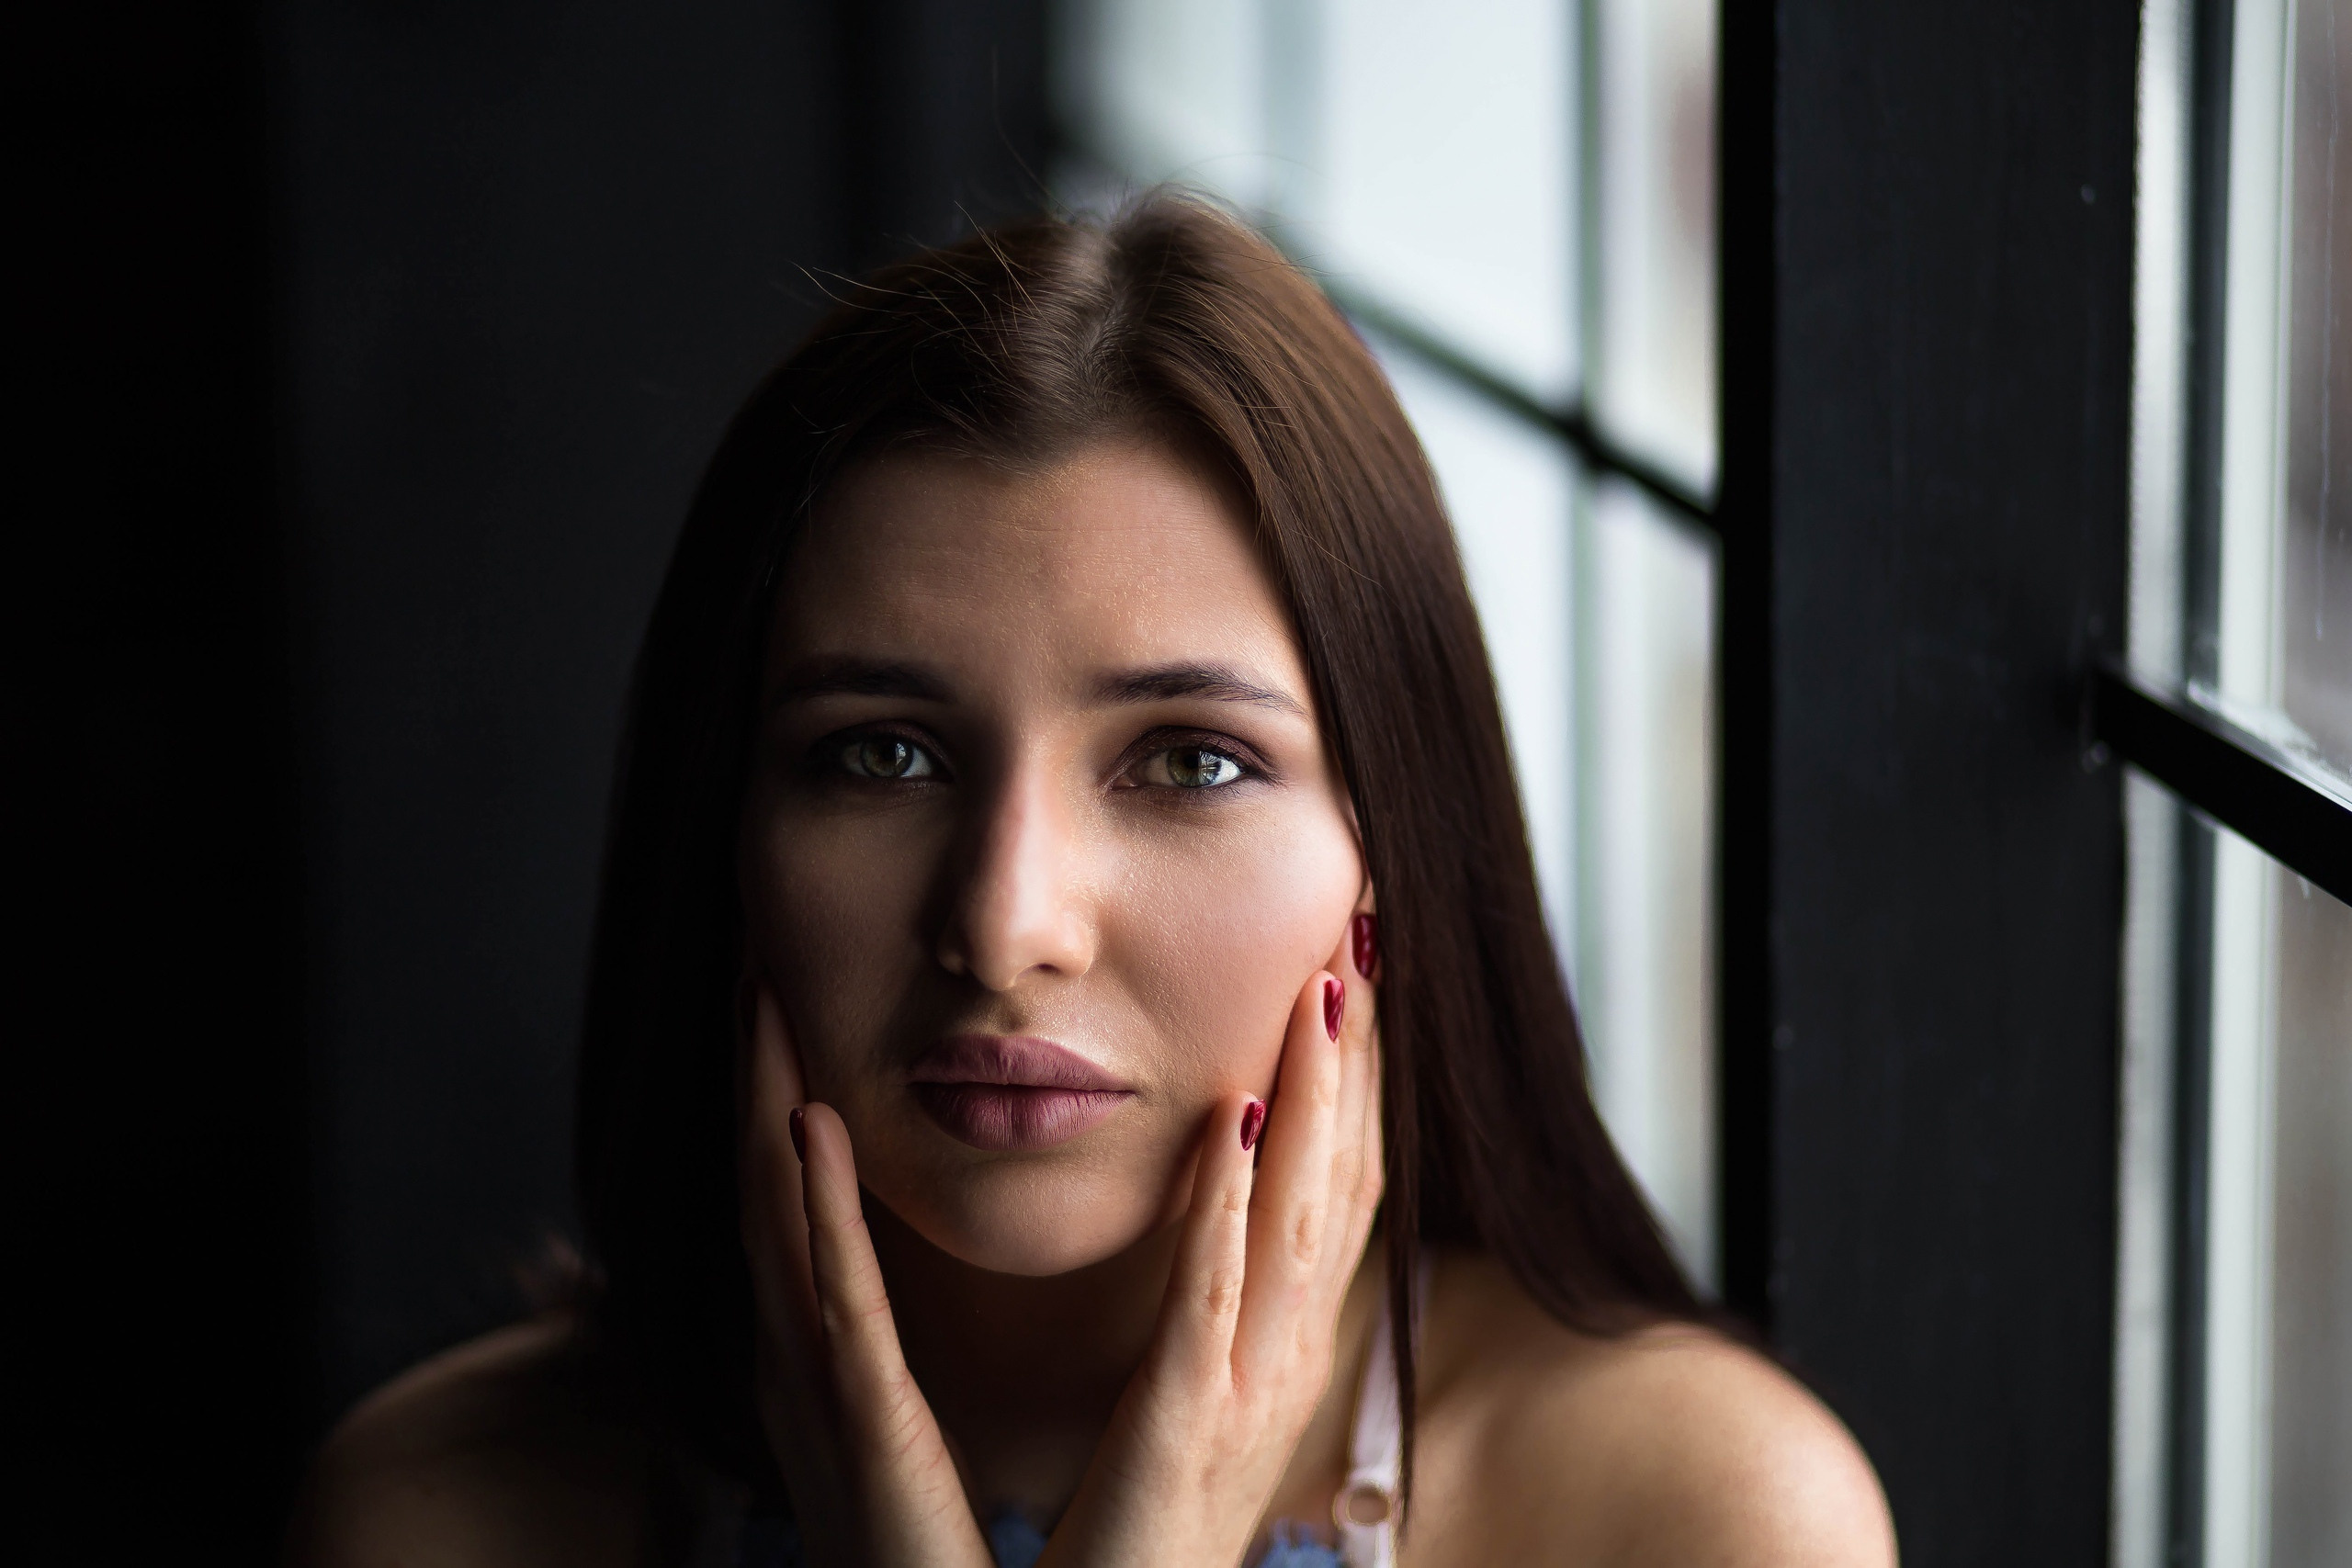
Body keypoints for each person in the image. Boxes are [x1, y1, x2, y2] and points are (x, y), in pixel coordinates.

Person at [290, 195, 1894, 1567]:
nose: (1004, 926)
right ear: (728, 834)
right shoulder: (455, 1517)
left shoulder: (1690, 1519)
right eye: (883, 756)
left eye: (1190, 761)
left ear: (1391, 859)